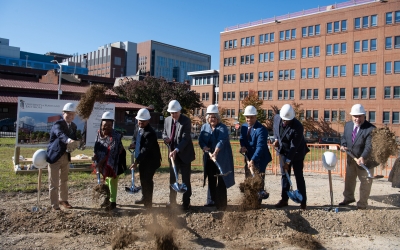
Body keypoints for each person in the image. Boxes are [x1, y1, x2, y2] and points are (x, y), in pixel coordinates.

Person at [339, 104, 377, 210]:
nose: (357, 119)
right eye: (355, 116)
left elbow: (369, 146)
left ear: (364, 116)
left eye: (360, 116)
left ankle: (362, 204)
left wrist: (363, 157)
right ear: (352, 116)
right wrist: (343, 145)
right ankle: (348, 198)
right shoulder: (348, 125)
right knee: (349, 180)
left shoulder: (370, 129)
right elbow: (344, 138)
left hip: (365, 161)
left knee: (365, 182)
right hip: (351, 159)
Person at [273, 104, 309, 210]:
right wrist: (276, 139)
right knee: (285, 175)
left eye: (287, 121)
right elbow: (276, 130)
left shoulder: (298, 126)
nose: (284, 122)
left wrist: (288, 162)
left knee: (299, 176)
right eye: (283, 120)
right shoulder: (277, 118)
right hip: (283, 151)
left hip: (297, 153)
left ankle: (303, 201)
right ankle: (284, 199)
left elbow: (294, 146)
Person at [199, 105, 235, 210]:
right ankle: (211, 201)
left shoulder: (222, 127)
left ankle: (222, 203)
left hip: (221, 158)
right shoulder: (204, 127)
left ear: (218, 118)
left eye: (214, 117)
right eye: (210, 117)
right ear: (207, 118)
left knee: (221, 179)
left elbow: (221, 141)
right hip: (210, 158)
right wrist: (204, 147)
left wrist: (215, 152)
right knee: (211, 178)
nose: (212, 119)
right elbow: (201, 140)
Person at [162, 100, 195, 210]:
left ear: (180, 111)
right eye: (172, 113)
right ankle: (172, 202)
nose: (174, 115)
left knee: (185, 180)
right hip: (173, 156)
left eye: (175, 112)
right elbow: (164, 133)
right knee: (172, 179)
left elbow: (185, 139)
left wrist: (176, 149)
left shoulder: (186, 121)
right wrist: (165, 139)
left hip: (184, 154)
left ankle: (186, 203)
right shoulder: (167, 120)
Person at [46, 102, 79, 211]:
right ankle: (54, 205)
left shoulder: (73, 126)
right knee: (54, 182)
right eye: (67, 114)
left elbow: (74, 138)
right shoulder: (58, 124)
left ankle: (63, 200)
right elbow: (60, 135)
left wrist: (77, 143)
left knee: (64, 180)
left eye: (72, 114)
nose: (70, 116)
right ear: (63, 113)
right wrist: (69, 140)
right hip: (55, 156)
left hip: (66, 156)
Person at [93, 111, 126, 211]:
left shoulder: (115, 136)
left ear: (112, 125)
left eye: (108, 125)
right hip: (103, 161)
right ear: (101, 124)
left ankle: (113, 202)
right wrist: (95, 155)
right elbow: (96, 146)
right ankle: (107, 199)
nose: (105, 127)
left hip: (114, 161)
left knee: (112, 180)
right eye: (104, 125)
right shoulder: (99, 133)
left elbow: (111, 153)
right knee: (106, 181)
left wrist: (100, 163)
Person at [130, 108, 161, 208]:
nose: (140, 123)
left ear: (148, 121)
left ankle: (148, 202)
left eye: (143, 121)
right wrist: (133, 143)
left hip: (151, 160)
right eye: (139, 120)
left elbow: (145, 149)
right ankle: (144, 197)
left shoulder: (150, 133)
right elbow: (135, 138)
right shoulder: (136, 127)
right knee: (143, 178)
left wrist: (136, 162)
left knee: (147, 179)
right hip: (143, 158)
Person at [239, 105, 272, 203]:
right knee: (248, 177)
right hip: (249, 156)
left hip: (260, 158)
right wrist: (243, 146)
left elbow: (260, 147)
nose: (249, 119)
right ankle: (249, 200)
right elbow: (242, 138)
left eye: (251, 117)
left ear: (255, 117)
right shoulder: (244, 126)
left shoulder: (261, 129)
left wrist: (253, 160)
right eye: (247, 117)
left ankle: (257, 202)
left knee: (258, 179)